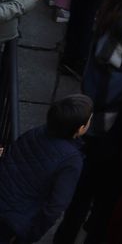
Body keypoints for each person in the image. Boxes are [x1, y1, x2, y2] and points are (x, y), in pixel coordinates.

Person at [0, 93, 91, 244]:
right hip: (14, 220)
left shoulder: (37, 132)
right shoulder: (71, 160)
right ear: (80, 129)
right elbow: (56, 206)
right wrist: (30, 235)